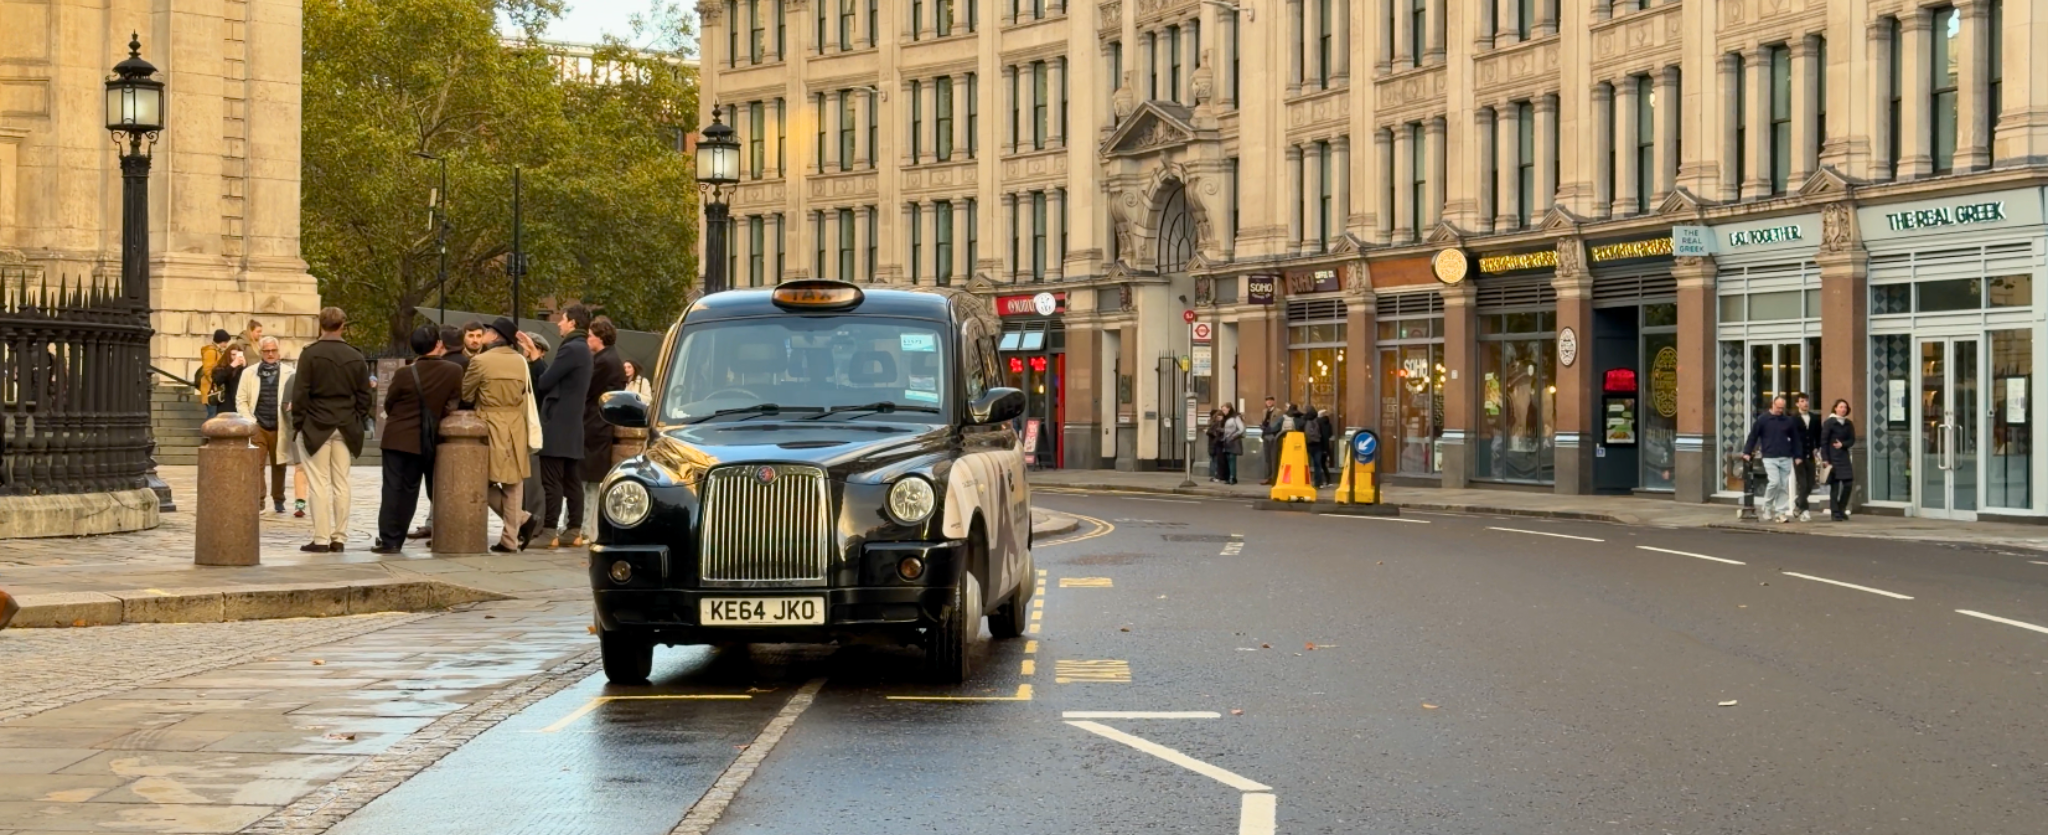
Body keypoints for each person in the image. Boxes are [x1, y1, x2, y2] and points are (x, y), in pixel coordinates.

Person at [371, 326, 464, 554]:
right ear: (438, 344)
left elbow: (390, 403)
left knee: (393, 488)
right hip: (425, 439)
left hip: (397, 437)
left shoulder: (405, 373)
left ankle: (390, 539)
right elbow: (453, 402)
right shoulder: (453, 371)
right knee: (411, 489)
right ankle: (398, 536)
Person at [291, 307, 374, 552]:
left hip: (316, 423)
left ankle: (321, 539)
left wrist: (299, 423)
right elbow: (364, 395)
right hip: (346, 423)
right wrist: (356, 417)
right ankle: (339, 537)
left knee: (318, 483)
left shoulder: (310, 354)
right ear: (342, 325)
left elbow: (301, 392)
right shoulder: (355, 355)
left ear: (321, 324)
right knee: (342, 483)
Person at [464, 317, 535, 552]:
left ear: (494, 336)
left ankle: (523, 519)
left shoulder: (480, 361)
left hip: (489, 422)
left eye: (487, 331)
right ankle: (510, 539)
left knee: (480, 478)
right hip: (516, 424)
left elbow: (466, 394)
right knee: (514, 482)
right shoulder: (521, 362)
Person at [529, 305, 594, 548]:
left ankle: (548, 532)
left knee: (552, 481)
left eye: (563, 320)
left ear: (573, 323)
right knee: (571, 481)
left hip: (557, 425)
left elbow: (546, 381)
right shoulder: (584, 349)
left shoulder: (570, 349)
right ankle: (574, 530)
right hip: (573, 426)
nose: (559, 323)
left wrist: (535, 361)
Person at [578, 317, 628, 546]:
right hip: (599, 423)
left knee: (589, 480)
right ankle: (588, 528)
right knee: (591, 481)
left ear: (599, 337)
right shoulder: (610, 358)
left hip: (595, 424)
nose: (587, 339)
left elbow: (585, 389)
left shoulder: (603, 361)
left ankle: (587, 528)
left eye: (590, 335)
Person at [235, 337, 293, 513]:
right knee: (256, 465)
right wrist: (250, 420)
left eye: (273, 350)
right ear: (261, 353)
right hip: (258, 424)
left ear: (278, 352)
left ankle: (278, 499)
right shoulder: (249, 373)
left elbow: (296, 397)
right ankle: (259, 500)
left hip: (280, 424)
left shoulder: (290, 373)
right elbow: (241, 400)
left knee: (279, 464)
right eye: (266, 351)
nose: (270, 354)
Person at [1741, 395, 1807, 524]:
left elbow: (1795, 439)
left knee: (1783, 486)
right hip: (1770, 456)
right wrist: (1747, 451)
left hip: (1785, 456)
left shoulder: (1788, 421)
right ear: (1772, 404)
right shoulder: (1763, 420)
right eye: (1778, 407)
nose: (1780, 410)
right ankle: (1767, 505)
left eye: (1782, 408)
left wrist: (1798, 455)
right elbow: (1753, 436)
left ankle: (1780, 512)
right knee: (1774, 482)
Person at [1821, 399, 1856, 522]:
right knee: (1835, 487)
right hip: (1832, 457)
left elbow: (1852, 440)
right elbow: (1824, 441)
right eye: (1841, 407)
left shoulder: (1848, 423)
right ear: (1835, 408)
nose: (1843, 409)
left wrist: (1843, 444)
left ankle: (1842, 509)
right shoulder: (1829, 423)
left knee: (1848, 484)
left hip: (1844, 456)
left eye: (1845, 407)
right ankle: (1835, 512)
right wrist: (1825, 459)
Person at [1793, 393, 1823, 522]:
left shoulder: (1815, 418)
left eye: (1806, 401)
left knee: (1811, 483)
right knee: (1803, 484)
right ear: (1797, 404)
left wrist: (1817, 447)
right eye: (1802, 401)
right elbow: (1792, 439)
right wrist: (1795, 455)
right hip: (1798, 456)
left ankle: (1798, 501)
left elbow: (1819, 435)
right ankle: (1805, 511)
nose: (1805, 403)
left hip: (1811, 455)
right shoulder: (1793, 419)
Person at [198, 329, 231, 417]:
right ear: (221, 341)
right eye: (225, 342)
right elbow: (208, 371)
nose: (226, 345)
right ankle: (207, 431)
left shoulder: (216, 351)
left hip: (213, 389)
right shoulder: (211, 352)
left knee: (213, 415)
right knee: (212, 415)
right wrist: (215, 382)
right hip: (210, 390)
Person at [212, 345, 246, 415]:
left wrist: (245, 367)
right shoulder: (221, 367)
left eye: (238, 355)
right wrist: (231, 366)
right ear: (228, 355)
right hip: (226, 404)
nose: (235, 357)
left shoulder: (242, 368)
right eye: (233, 354)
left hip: (240, 404)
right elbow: (217, 380)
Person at [1218, 403, 1245, 486]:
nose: (1223, 411)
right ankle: (1231, 477)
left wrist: (1233, 436)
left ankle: (1232, 477)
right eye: (1222, 410)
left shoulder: (1235, 417)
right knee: (1228, 459)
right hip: (1227, 440)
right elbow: (1227, 429)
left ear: (1229, 408)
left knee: (1232, 459)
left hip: (1233, 441)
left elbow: (1241, 429)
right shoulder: (1226, 418)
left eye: (1224, 410)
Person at [1258, 396, 1282, 485]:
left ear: (1273, 402)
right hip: (1266, 435)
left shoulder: (1278, 412)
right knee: (1267, 458)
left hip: (1273, 435)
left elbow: (1277, 424)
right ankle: (1268, 477)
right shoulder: (1264, 411)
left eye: (1270, 401)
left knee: (1273, 458)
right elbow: (1264, 421)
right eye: (1267, 401)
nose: (1268, 402)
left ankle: (1274, 477)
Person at [1304, 406, 1329, 488]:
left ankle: (1305, 481)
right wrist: (1325, 448)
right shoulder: (1319, 421)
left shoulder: (1304, 421)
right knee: (1317, 465)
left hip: (1307, 445)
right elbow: (1324, 435)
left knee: (1305, 464)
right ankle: (1317, 482)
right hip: (1318, 445)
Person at [1205, 410, 1226, 482]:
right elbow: (1211, 432)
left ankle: (1215, 475)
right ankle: (1216, 475)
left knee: (1214, 460)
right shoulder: (1217, 424)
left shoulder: (1214, 423)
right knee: (1216, 460)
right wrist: (1216, 434)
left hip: (1213, 444)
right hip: (1215, 444)